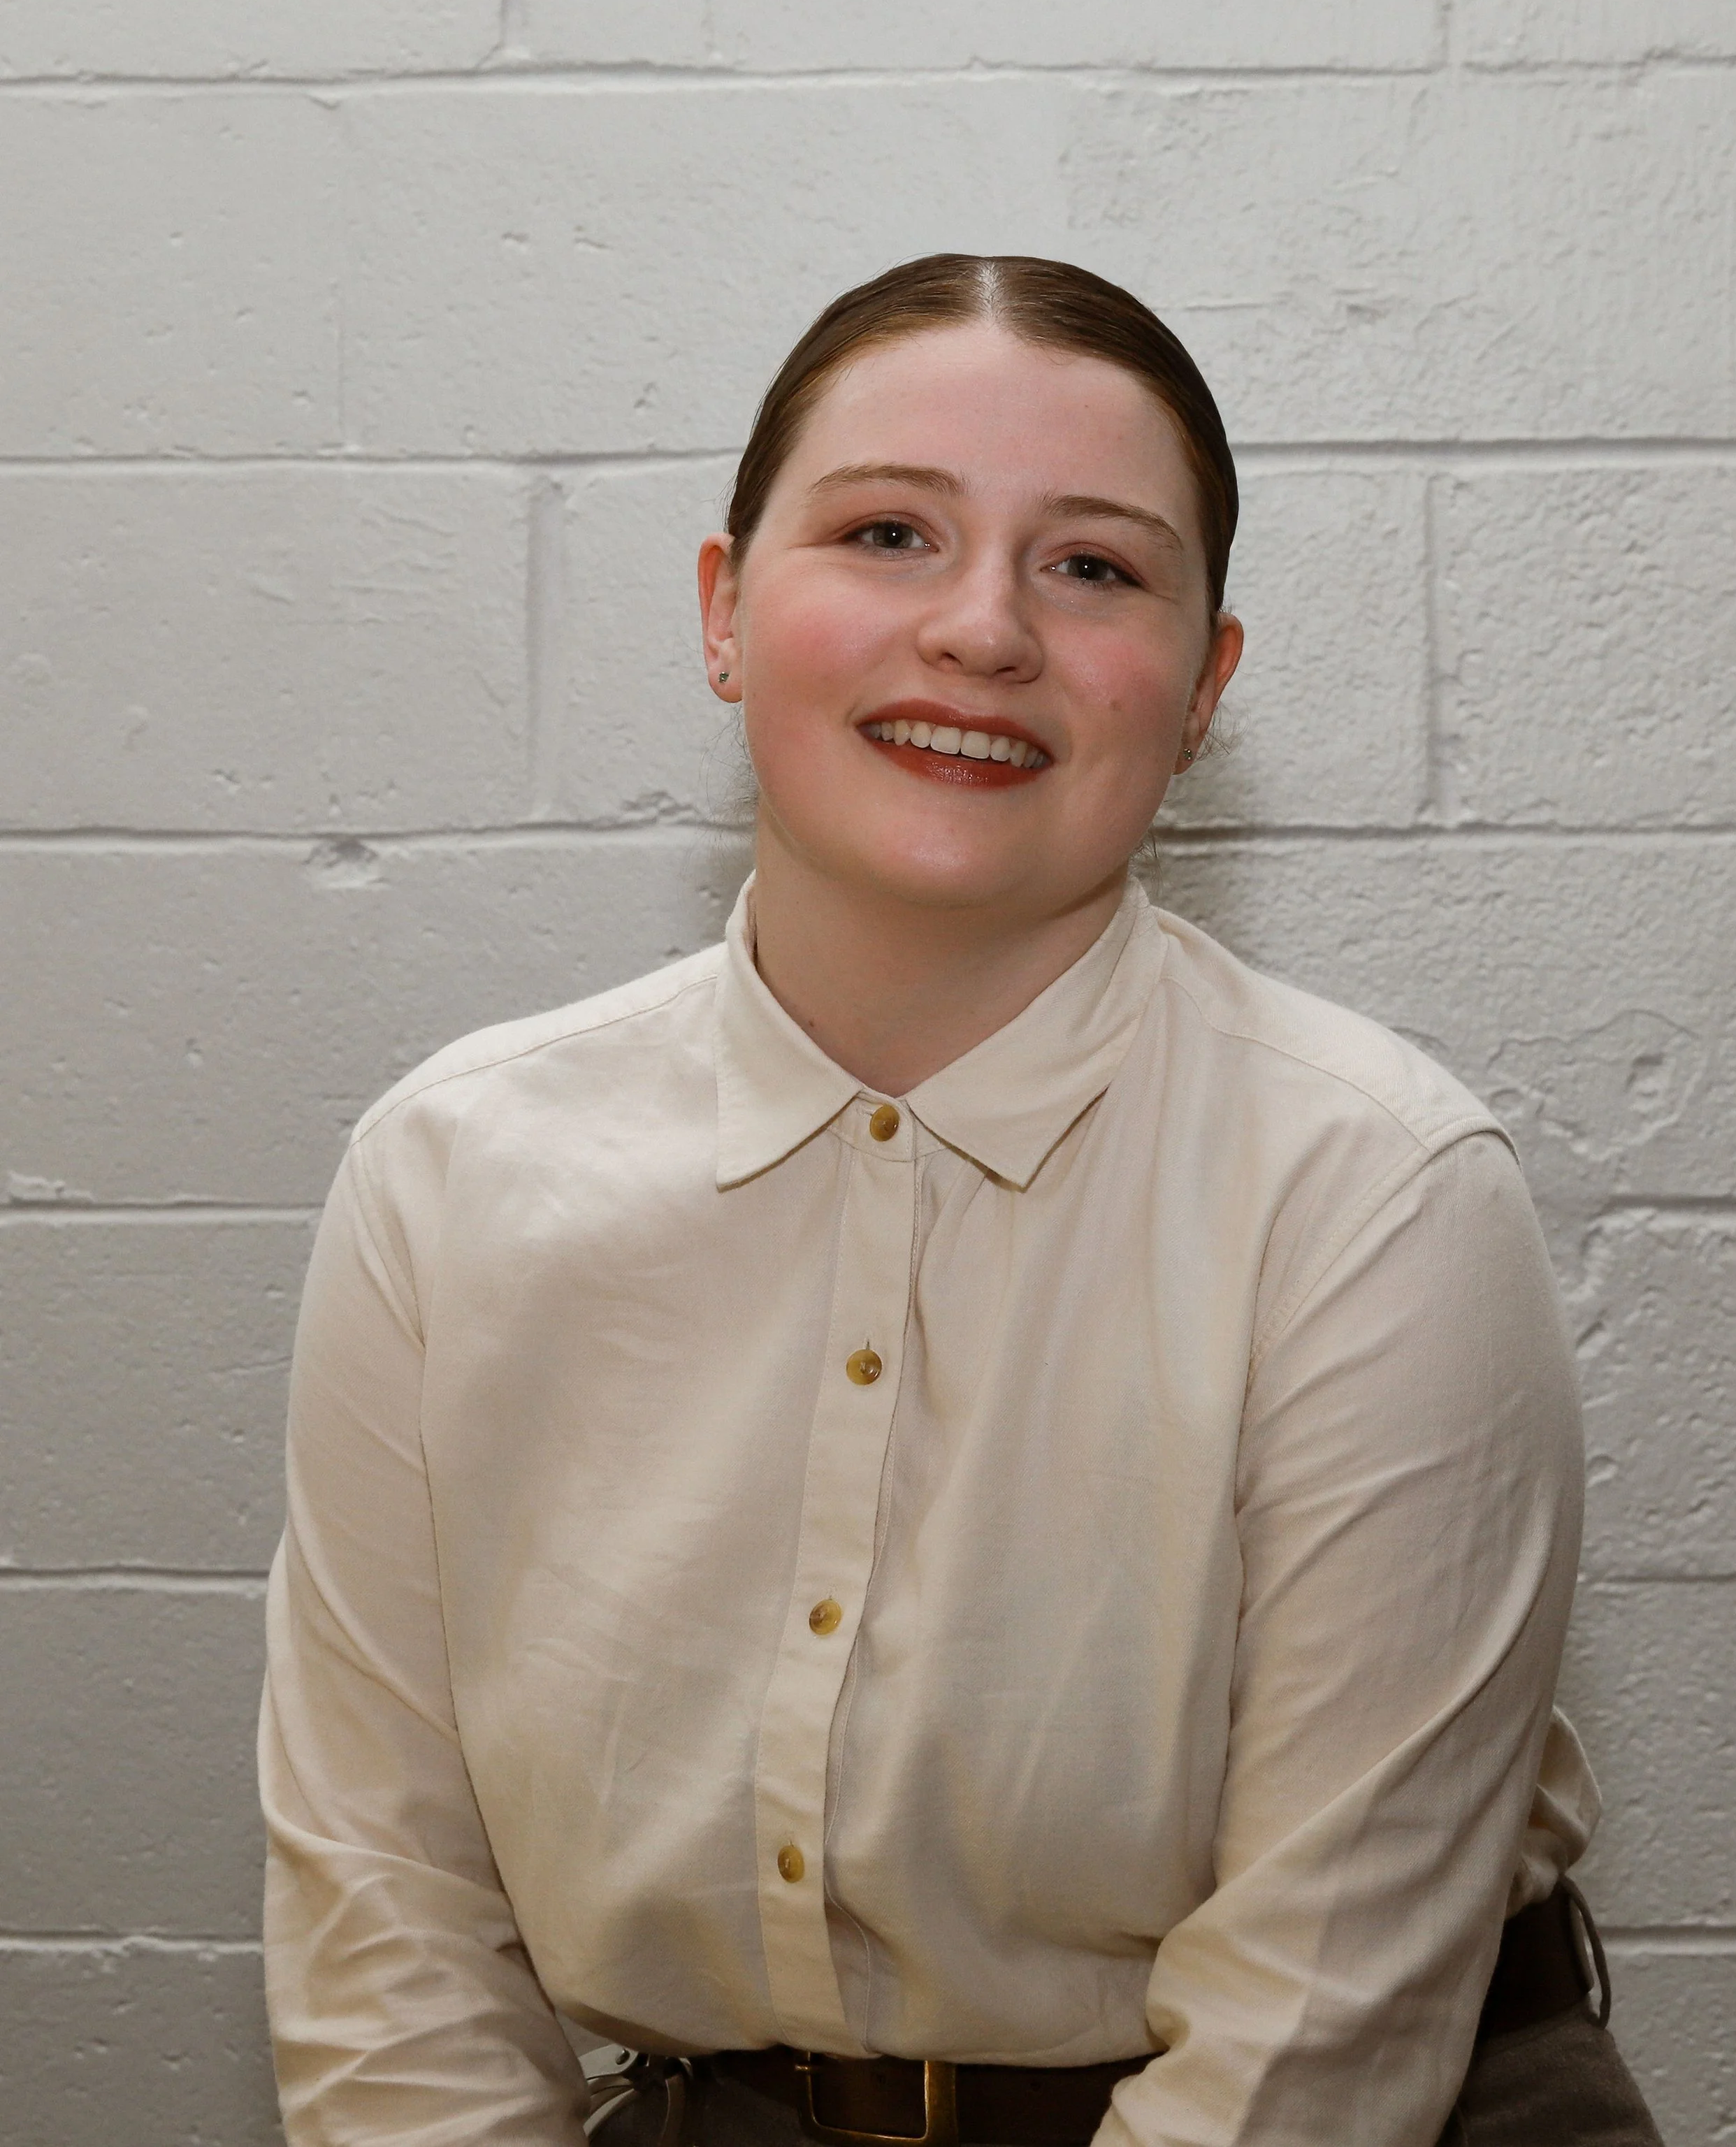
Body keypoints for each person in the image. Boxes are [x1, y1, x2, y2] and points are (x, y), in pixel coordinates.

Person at [259, 255, 1663, 2146]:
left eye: (1092, 566)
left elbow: (1315, 2051)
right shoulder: (446, 1177)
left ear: (1198, 690)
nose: (982, 627)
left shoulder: (1377, 1199)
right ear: (723, 608)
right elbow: (387, 1931)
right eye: (888, 531)